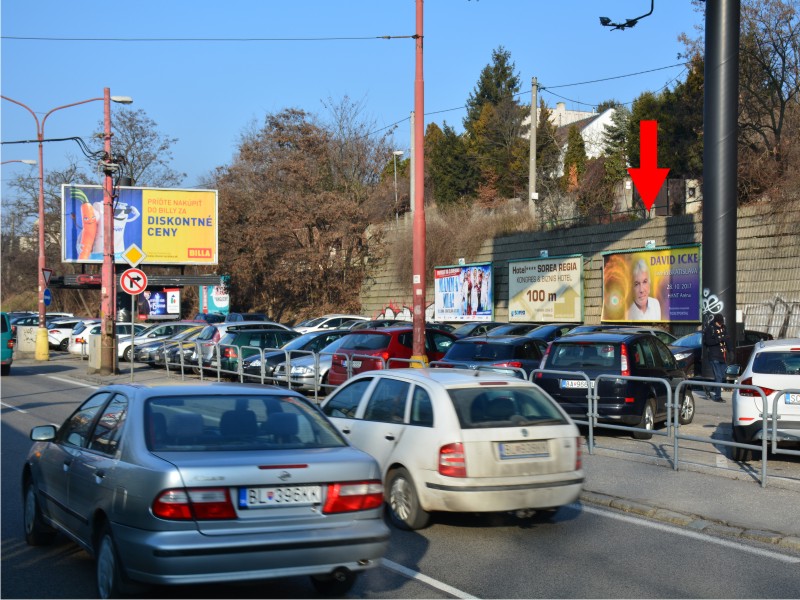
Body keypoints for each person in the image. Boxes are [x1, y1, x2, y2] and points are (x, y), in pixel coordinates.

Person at [703, 313, 731, 402]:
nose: (720, 324)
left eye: (721, 322)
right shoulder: (710, 329)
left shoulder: (724, 327)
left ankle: (708, 387)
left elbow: (727, 339)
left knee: (722, 376)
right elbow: (707, 342)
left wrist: (730, 351)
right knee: (718, 376)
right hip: (714, 355)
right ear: (715, 322)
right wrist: (718, 340)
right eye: (719, 323)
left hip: (723, 356)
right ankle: (717, 396)